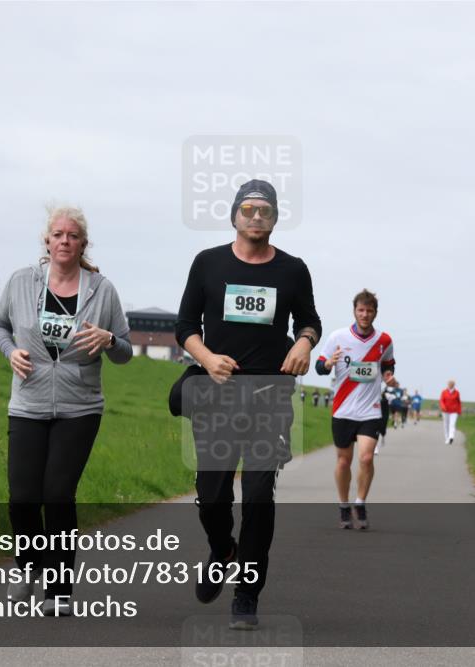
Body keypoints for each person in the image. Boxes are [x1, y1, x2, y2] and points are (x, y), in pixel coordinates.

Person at [175, 179, 321, 630]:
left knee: (258, 496)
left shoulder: (293, 270)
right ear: (234, 215)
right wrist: (206, 357)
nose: (256, 216)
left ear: (275, 219)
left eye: (265, 210)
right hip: (217, 396)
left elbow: (310, 320)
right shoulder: (208, 263)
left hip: (269, 398)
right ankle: (222, 550)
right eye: (248, 209)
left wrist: (304, 343)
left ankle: (247, 594)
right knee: (211, 497)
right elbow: (184, 326)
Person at [0, 205, 132, 616]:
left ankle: (60, 588)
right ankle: (31, 567)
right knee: (21, 498)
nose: (64, 241)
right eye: (58, 234)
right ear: (47, 241)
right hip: (28, 402)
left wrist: (109, 340)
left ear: (83, 244)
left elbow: (124, 352)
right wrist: (10, 351)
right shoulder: (21, 282)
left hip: (79, 406)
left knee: (57, 494)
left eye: (73, 236)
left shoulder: (101, 290)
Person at [315, 289, 396, 530]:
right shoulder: (338, 337)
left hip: (370, 410)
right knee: (343, 462)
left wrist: (389, 376)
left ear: (375, 313)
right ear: (354, 311)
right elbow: (320, 366)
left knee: (367, 457)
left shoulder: (384, 340)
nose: (365, 314)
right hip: (342, 410)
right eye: (361, 310)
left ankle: (360, 502)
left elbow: (388, 365)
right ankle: (343, 505)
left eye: (369, 310)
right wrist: (329, 363)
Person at [440, 379, 462, 444]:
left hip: (454, 411)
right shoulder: (444, 392)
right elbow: (441, 400)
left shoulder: (457, 392)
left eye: (451, 384)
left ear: (454, 385)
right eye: (449, 384)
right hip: (445, 411)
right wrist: (443, 406)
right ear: (447, 384)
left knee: (452, 424)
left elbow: (459, 402)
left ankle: (451, 437)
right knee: (446, 425)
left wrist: (459, 410)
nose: (450, 385)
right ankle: (447, 438)